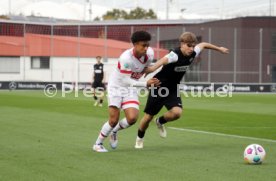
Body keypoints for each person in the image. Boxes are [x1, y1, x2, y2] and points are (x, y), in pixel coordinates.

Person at [135, 32, 229, 149]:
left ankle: (160, 121)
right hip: (159, 86)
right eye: (189, 45)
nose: (191, 48)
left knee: (177, 113)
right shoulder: (174, 55)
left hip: (173, 88)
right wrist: (151, 69)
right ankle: (139, 138)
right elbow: (162, 61)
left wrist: (219, 49)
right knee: (148, 117)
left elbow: (204, 44)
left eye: (193, 46)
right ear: (182, 44)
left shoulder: (193, 52)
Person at [92, 31, 161, 152]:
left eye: (147, 45)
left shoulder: (149, 54)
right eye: (143, 45)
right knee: (113, 120)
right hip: (117, 87)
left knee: (133, 118)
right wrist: (146, 84)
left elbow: (145, 69)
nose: (146, 48)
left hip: (130, 88)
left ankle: (114, 131)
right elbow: (127, 80)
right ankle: (98, 144)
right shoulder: (126, 58)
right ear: (134, 44)